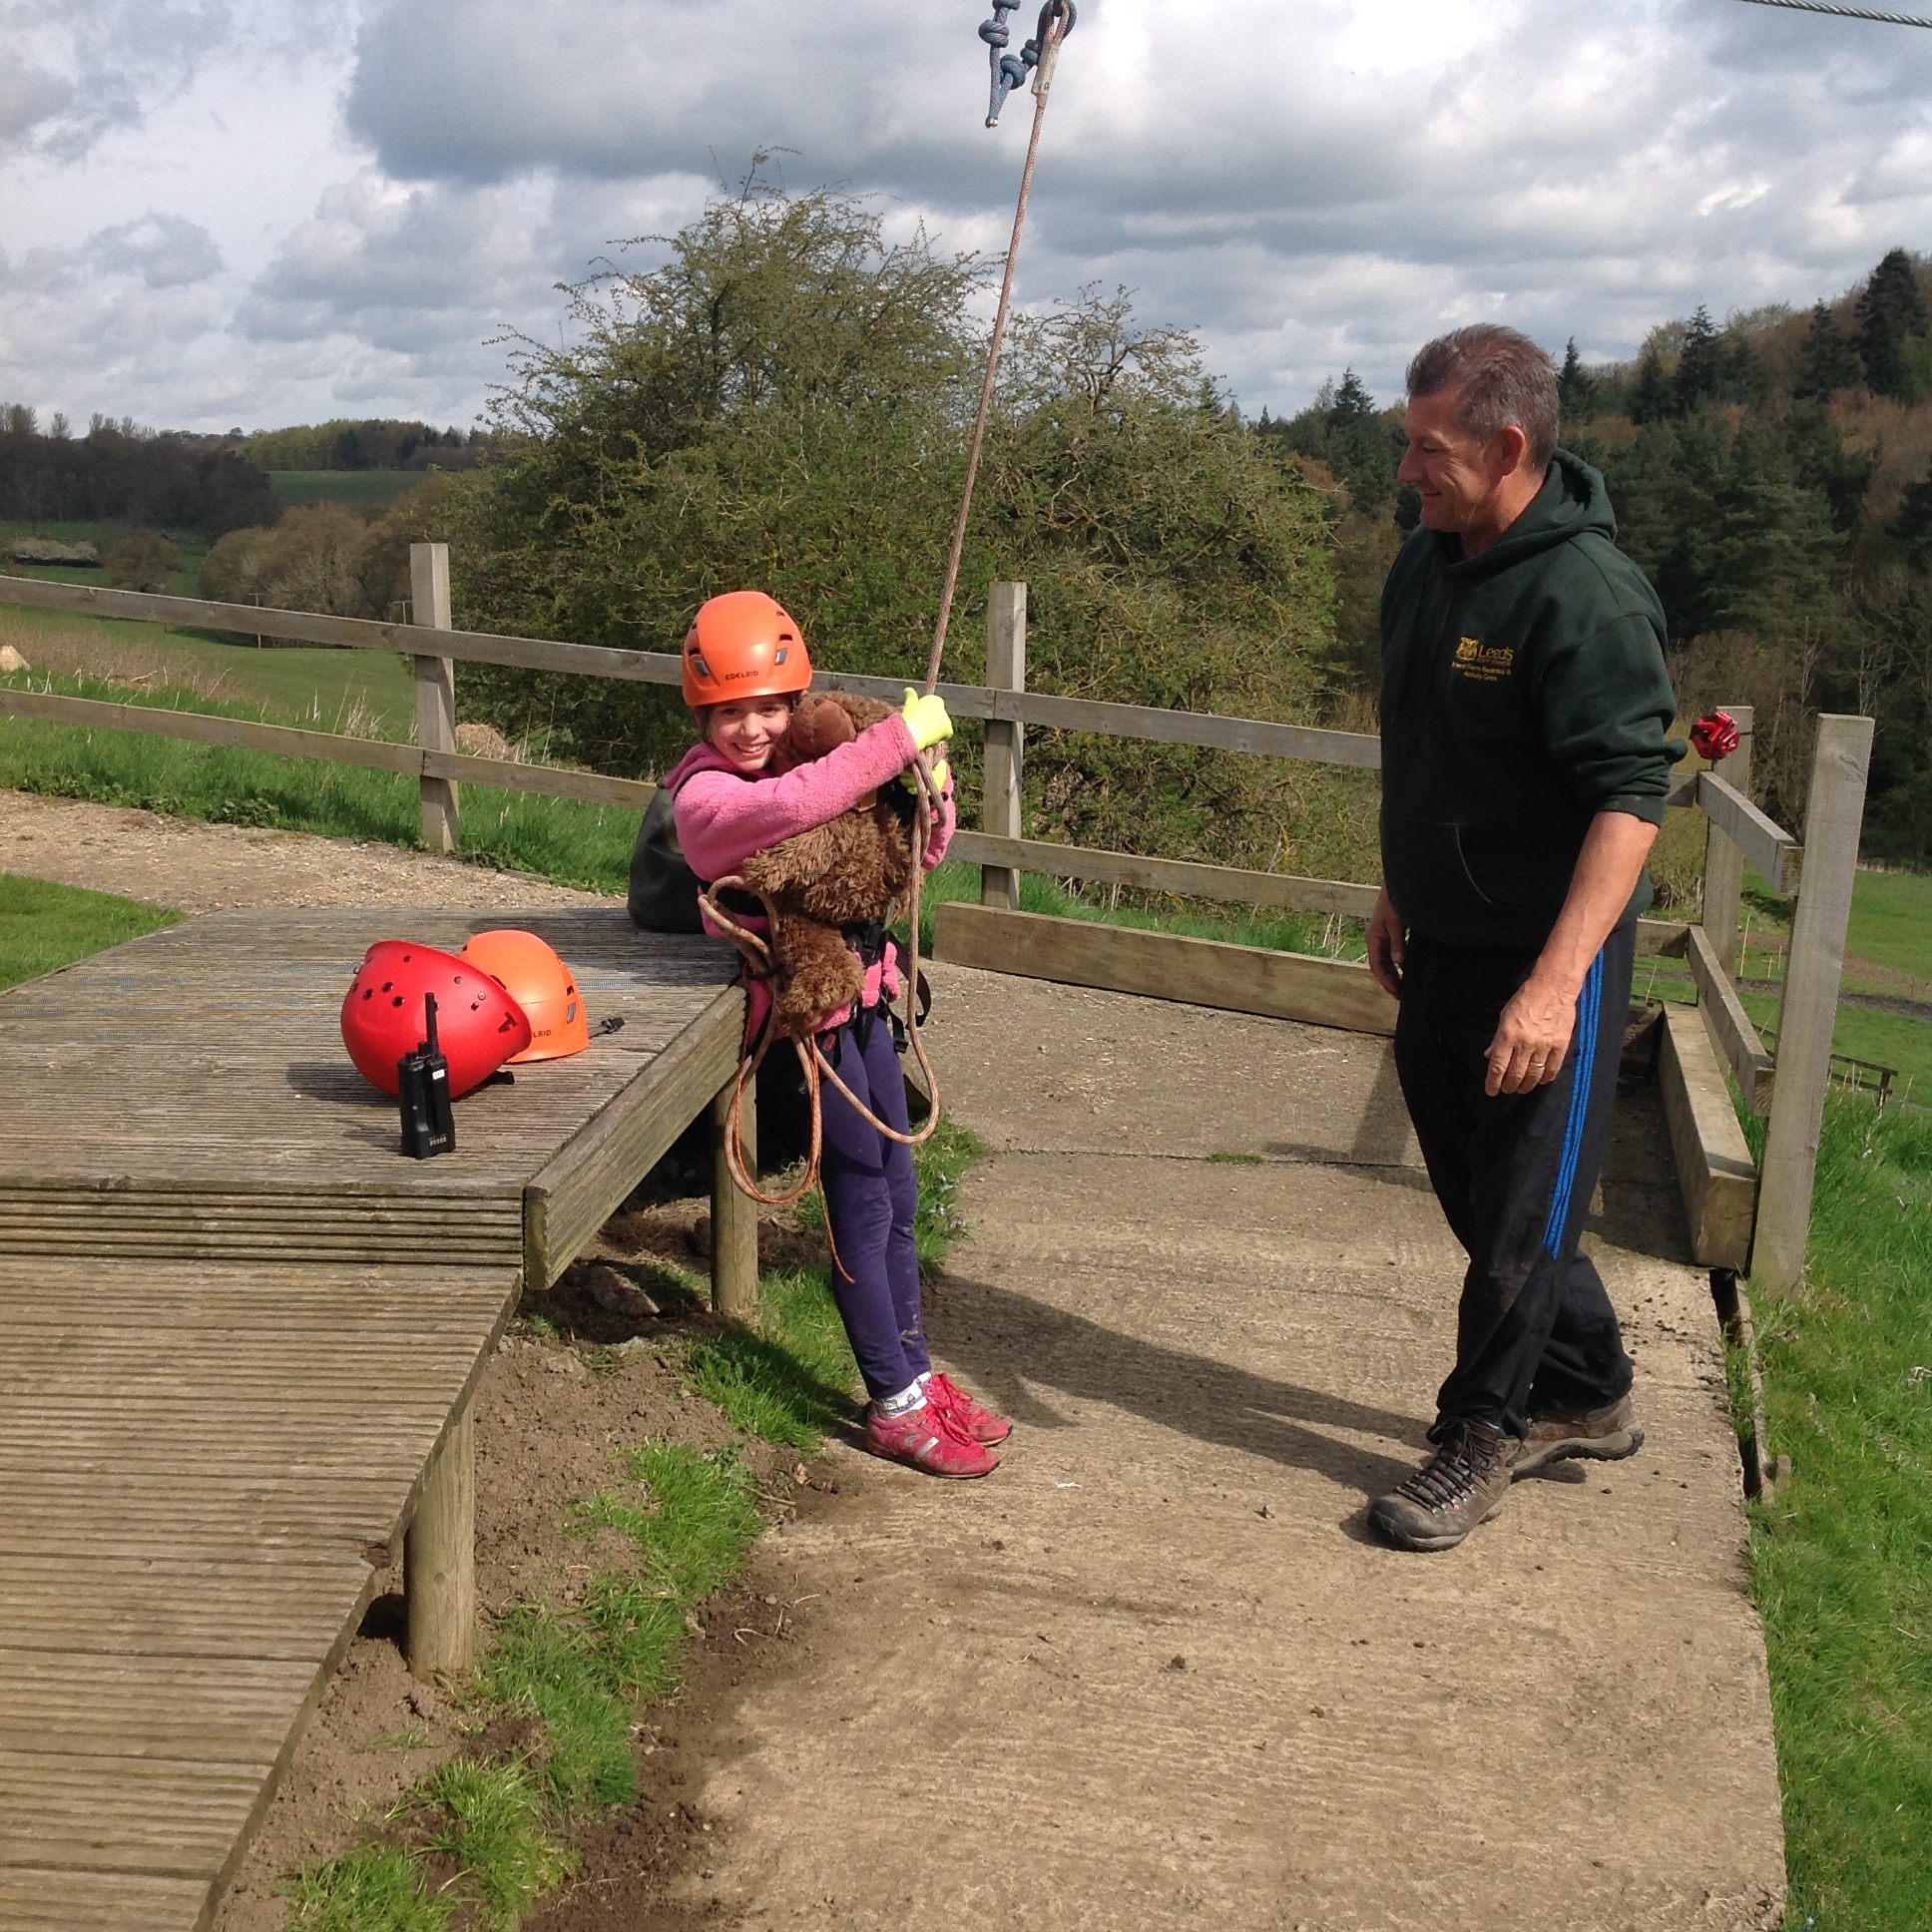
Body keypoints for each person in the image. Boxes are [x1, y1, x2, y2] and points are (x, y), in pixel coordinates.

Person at [1364, 325, 1679, 1553]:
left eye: (1428, 451)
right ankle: (1589, 1388)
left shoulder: (1588, 598)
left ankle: (1484, 1428)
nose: (1407, 472)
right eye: (1406, 445)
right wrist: (1397, 885)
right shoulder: (1423, 563)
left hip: (1550, 957)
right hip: (1440, 935)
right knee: (1482, 1192)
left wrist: (1554, 987)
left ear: (1506, 448)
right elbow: (1426, 744)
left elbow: (1629, 801)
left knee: (1517, 1221)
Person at [664, 589, 1011, 1479]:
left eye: (769, 708)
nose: (752, 729)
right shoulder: (706, 799)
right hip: (805, 1025)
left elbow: (910, 854)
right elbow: (800, 804)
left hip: (865, 1004)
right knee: (860, 1204)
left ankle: (918, 1375)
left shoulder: (810, 761)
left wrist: (929, 787)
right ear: (702, 716)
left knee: (899, 1194)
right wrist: (890, 741)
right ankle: (892, 1401)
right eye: (730, 712)